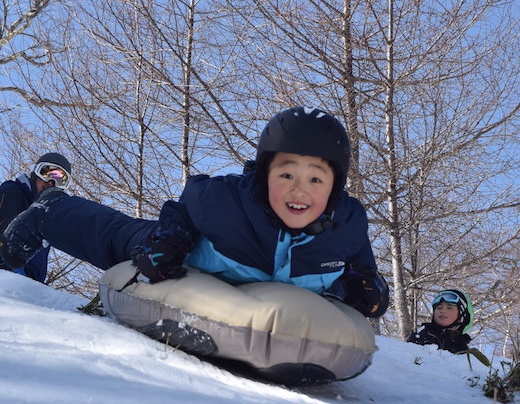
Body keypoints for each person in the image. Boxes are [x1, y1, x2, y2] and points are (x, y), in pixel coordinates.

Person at [0, 106, 389, 318]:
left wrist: (369, 290)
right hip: (192, 255)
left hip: (271, 290)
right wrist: (172, 239)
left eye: (316, 179)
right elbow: (183, 208)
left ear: (336, 186)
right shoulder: (227, 200)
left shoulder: (347, 224)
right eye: (286, 173)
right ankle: (45, 214)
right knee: (115, 236)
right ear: (263, 174)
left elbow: (361, 267)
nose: (299, 190)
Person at [0, 152, 72, 282]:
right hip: (7, 279)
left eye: (60, 180)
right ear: (35, 173)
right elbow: (4, 231)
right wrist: (13, 272)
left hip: (29, 286)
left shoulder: (46, 215)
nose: (51, 182)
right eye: (47, 174)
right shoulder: (12, 192)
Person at [407, 289, 474, 353]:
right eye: (439, 308)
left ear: (461, 317)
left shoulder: (465, 351)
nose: (442, 311)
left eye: (449, 308)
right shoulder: (422, 337)